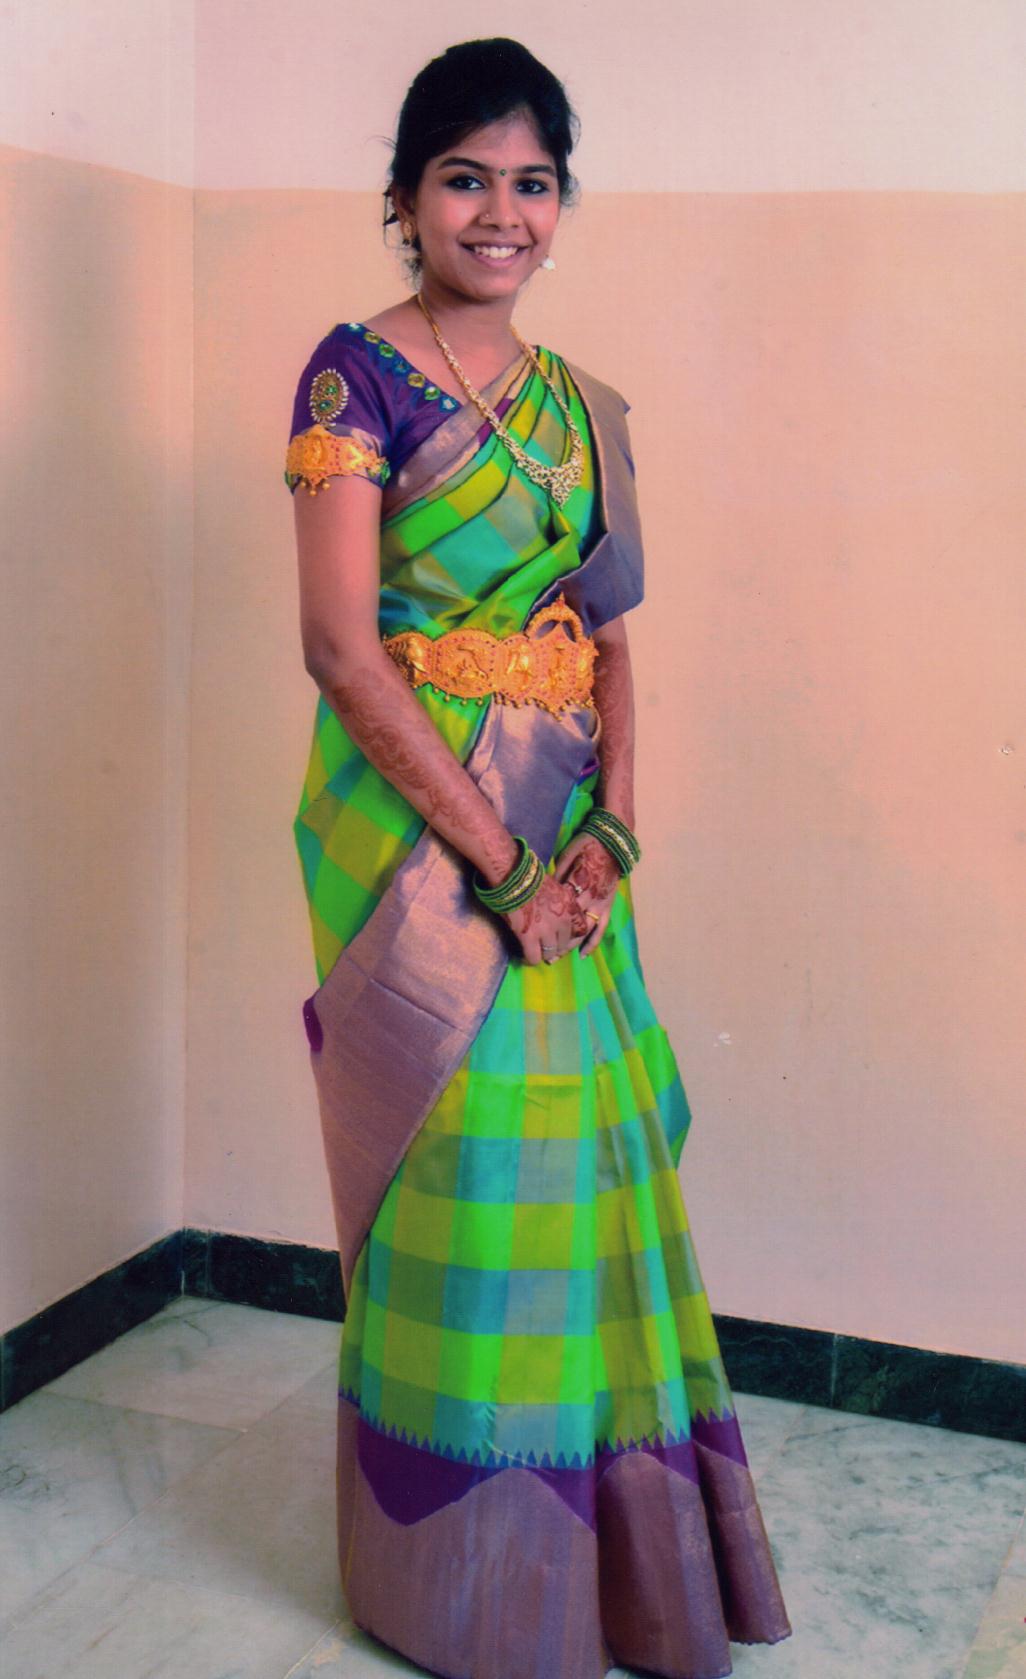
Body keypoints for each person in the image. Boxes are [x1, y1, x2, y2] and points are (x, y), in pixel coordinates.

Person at [284, 37, 791, 1679]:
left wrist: (607, 839)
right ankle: (454, 1587)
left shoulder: (583, 409)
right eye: (463, 178)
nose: (498, 212)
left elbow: (609, 635)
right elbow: (341, 650)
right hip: (419, 846)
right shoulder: (352, 379)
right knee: (461, 1174)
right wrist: (503, 867)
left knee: (579, 1175)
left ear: (560, 204)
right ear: (405, 196)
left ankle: (605, 1571)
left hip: (567, 836)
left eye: (530, 182)